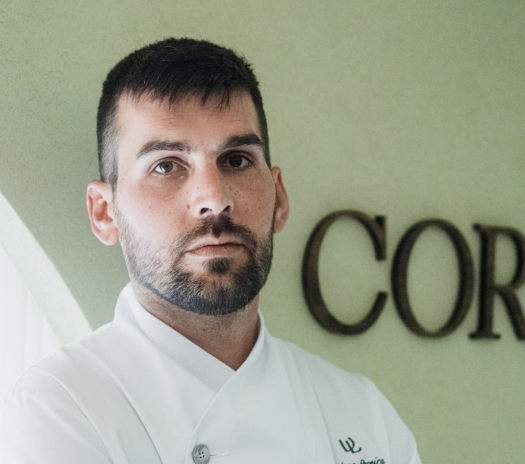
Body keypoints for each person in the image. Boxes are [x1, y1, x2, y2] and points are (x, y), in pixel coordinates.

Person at [0, 38, 422, 463]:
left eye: (236, 160)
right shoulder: (57, 410)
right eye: (166, 165)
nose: (214, 198)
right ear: (105, 213)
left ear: (279, 198)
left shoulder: (363, 411)